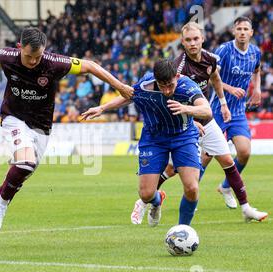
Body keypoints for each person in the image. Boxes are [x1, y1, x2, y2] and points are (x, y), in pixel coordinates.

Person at [0, 27, 133, 248]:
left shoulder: (55, 63)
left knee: (20, 174)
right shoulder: (8, 56)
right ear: (20, 48)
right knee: (25, 163)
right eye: (28, 56)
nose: (33, 61)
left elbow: (91, 66)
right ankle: (1, 203)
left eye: (37, 56)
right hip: (14, 118)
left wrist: (120, 86)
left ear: (44, 51)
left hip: (41, 127)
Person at [130, 22, 267, 224]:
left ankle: (246, 208)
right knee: (173, 168)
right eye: (188, 40)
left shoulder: (210, 58)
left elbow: (216, 79)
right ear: (182, 43)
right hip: (184, 123)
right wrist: (190, 121)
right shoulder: (178, 68)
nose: (193, 43)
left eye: (196, 39)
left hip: (207, 117)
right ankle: (146, 200)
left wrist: (223, 104)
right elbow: (170, 100)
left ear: (202, 38)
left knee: (228, 161)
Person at [82, 59, 212, 227]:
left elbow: (206, 110)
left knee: (192, 188)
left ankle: (183, 230)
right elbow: (129, 95)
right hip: (154, 138)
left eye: (170, 85)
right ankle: (157, 201)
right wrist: (102, 108)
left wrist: (187, 109)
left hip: (183, 136)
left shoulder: (187, 86)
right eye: (162, 85)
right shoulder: (145, 85)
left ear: (177, 76)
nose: (166, 90)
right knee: (146, 194)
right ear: (155, 79)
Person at [211, 16, 263, 211]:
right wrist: (230, 89)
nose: (242, 32)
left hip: (238, 111)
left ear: (251, 32)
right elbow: (210, 77)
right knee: (206, 156)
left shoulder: (255, 52)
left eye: (245, 29)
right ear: (234, 31)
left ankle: (225, 187)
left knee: (244, 152)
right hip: (217, 109)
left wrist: (256, 89)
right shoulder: (224, 51)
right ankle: (192, 192)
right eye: (239, 28)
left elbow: (257, 70)